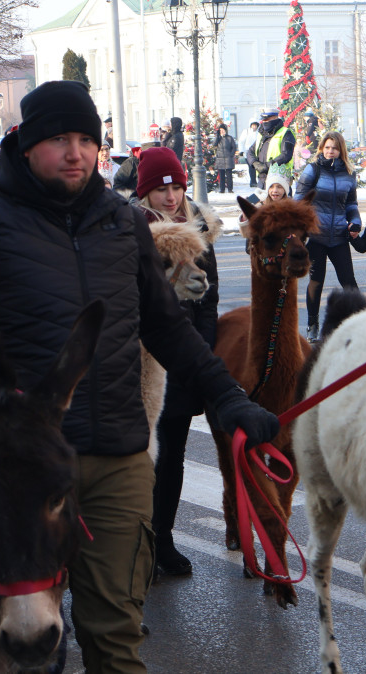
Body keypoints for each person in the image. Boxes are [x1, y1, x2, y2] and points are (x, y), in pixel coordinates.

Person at [0, 80, 279, 673]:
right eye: (60, 139)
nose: (76, 152)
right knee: (29, 647)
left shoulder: (122, 221)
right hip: (20, 475)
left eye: (87, 139)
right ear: (26, 144)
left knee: (116, 639)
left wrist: (226, 396)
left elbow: (166, 327)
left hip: (116, 453)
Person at [130, 146, 222, 577]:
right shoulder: (132, 235)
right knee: (138, 457)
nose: (171, 196)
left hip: (182, 364)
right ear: (146, 193)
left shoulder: (200, 231)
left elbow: (209, 302)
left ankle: (162, 536)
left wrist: (198, 358)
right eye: (161, 188)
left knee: (172, 456)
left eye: (177, 186)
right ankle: (136, 542)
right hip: (144, 359)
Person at [294, 130, 361, 341]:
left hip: (340, 235)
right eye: (327, 147)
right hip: (316, 236)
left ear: (341, 150)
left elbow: (351, 204)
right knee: (316, 281)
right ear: (322, 148)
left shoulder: (349, 173)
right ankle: (312, 324)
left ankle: (362, 321)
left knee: (348, 281)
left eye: (334, 148)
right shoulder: (313, 170)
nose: (330, 151)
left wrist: (356, 221)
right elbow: (298, 200)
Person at [248, 108, 295, 190]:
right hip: (262, 180)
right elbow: (250, 152)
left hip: (279, 180)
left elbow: (286, 155)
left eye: (267, 119)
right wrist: (255, 163)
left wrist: (267, 166)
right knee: (255, 201)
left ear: (275, 118)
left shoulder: (286, 133)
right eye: (263, 120)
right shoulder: (262, 135)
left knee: (279, 203)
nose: (265, 122)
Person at [212, 123, 237, 193]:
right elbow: (214, 144)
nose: (222, 131)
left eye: (223, 130)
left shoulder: (229, 138)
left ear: (225, 130)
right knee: (221, 175)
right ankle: (222, 189)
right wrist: (217, 136)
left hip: (228, 158)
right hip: (220, 159)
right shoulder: (218, 138)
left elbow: (234, 147)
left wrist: (231, 154)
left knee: (229, 175)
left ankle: (230, 189)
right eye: (220, 130)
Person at [237, 119, 259, 188]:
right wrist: (241, 151)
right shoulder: (246, 132)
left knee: (256, 167)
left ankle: (256, 181)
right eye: (253, 125)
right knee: (251, 167)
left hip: (256, 152)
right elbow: (241, 141)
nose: (254, 127)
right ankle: (253, 181)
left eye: (255, 125)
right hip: (248, 152)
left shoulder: (259, 133)